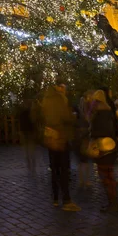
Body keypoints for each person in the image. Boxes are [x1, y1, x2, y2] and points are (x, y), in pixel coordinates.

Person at [41, 81, 80, 211]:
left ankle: (55, 198)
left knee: (54, 168)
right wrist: (73, 116)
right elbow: (65, 117)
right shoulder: (59, 99)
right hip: (61, 136)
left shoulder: (46, 99)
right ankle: (67, 199)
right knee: (63, 169)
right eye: (63, 87)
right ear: (58, 87)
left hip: (50, 136)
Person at [90, 90, 118, 213]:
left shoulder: (98, 114)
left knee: (105, 177)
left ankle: (112, 204)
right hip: (111, 147)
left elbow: (98, 132)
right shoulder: (109, 112)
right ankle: (113, 202)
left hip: (102, 149)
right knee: (110, 176)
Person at [18, 99, 38, 174]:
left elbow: (21, 123)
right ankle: (32, 163)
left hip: (25, 132)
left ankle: (29, 163)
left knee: (26, 150)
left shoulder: (22, 113)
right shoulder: (31, 113)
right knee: (31, 149)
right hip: (30, 132)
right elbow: (34, 122)